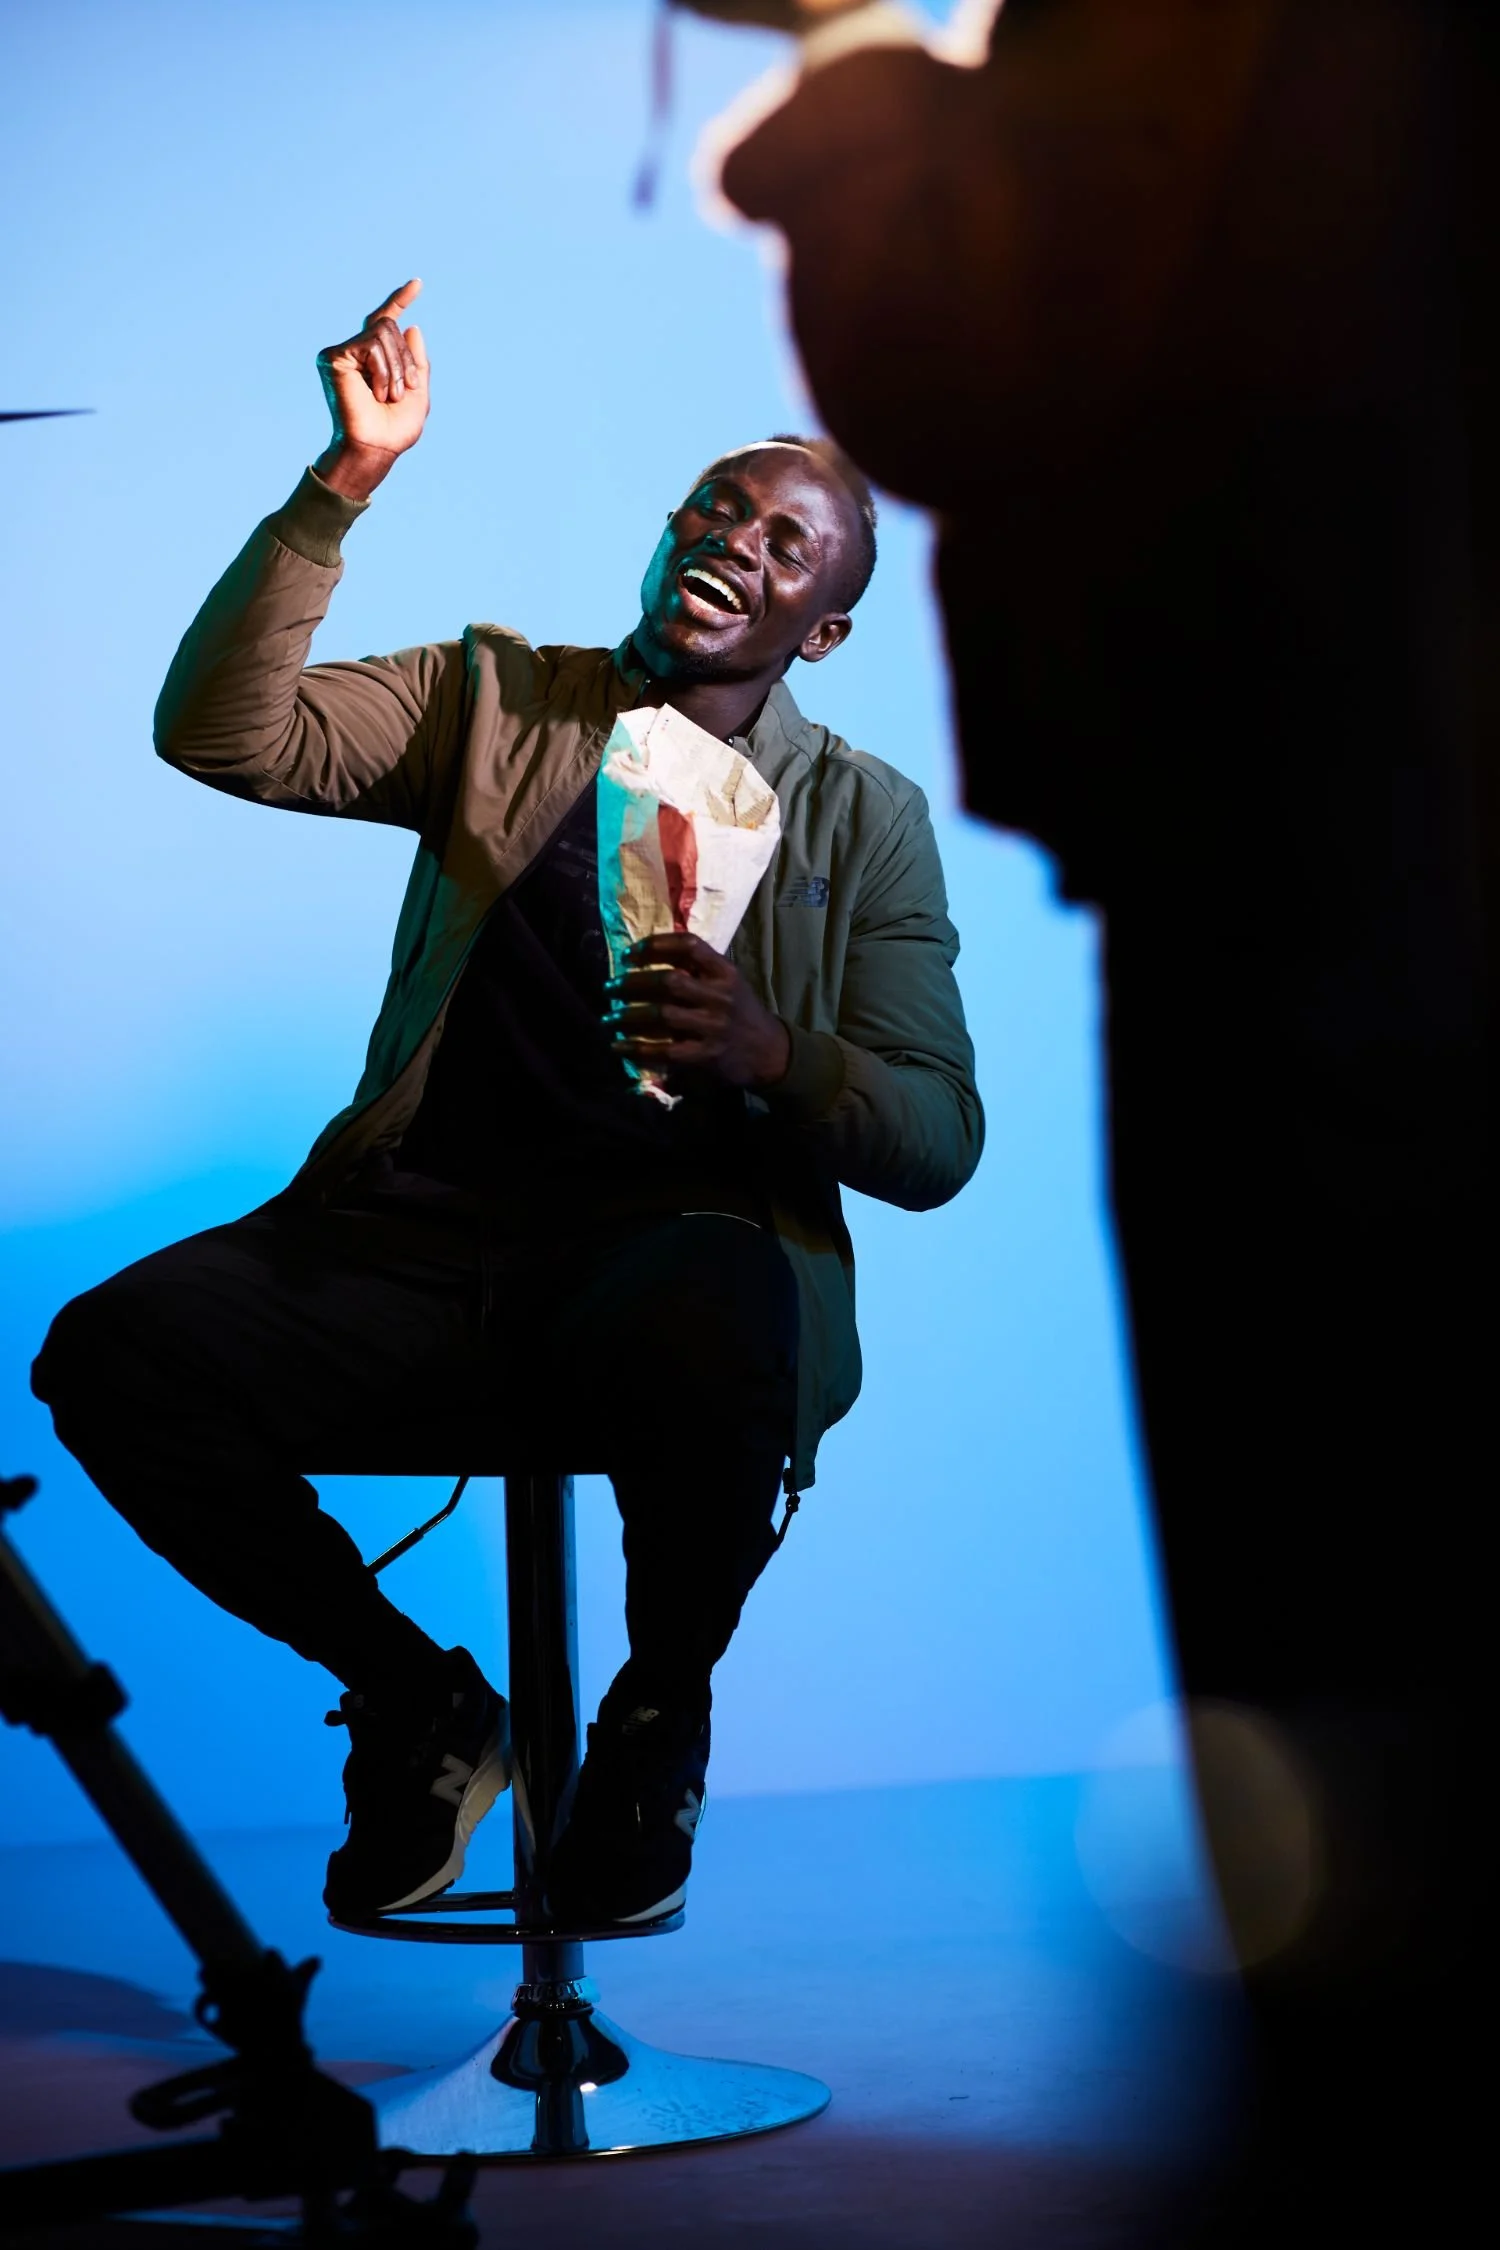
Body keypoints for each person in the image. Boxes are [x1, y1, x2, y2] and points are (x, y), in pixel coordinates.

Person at [675, 0, 1494, 2238]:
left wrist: (849, 59)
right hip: (1369, 815)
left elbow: (991, 333)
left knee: (1339, 1654)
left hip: (1315, 843)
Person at [30, 279, 981, 1932]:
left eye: (784, 548)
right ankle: (417, 1700)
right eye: (719, 508)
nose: (736, 544)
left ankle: (653, 1720)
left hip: (660, 1275)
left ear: (820, 628)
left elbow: (938, 1136)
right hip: (412, 1254)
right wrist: (341, 488)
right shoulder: (494, 696)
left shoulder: (864, 822)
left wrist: (775, 1055)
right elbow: (222, 734)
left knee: (724, 1294)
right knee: (110, 1352)